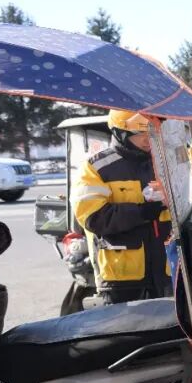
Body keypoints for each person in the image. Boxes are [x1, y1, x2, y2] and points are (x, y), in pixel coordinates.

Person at [73, 110, 170, 303]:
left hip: (169, 271)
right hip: (121, 278)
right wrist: (141, 212)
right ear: (121, 133)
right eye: (139, 133)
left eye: (151, 131)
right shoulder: (96, 167)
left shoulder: (167, 161)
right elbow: (93, 217)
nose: (147, 138)